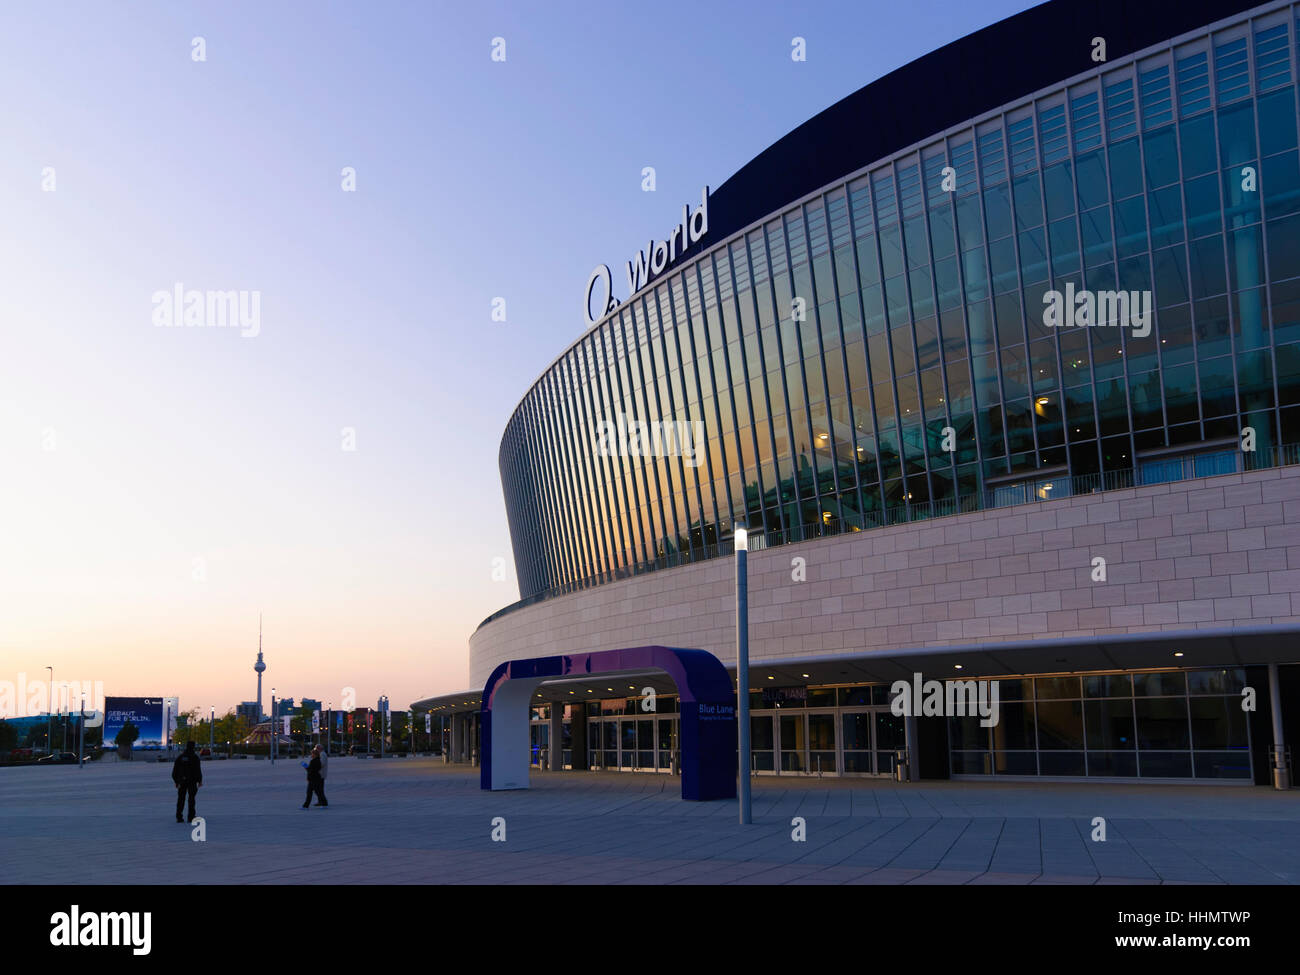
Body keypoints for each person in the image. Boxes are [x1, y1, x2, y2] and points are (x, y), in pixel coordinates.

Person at [172, 740, 202, 823]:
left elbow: (175, 771)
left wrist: (176, 781)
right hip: (192, 781)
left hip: (182, 781)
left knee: (181, 799)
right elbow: (198, 770)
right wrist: (199, 781)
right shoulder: (195, 758)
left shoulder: (180, 757)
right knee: (191, 799)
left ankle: (179, 817)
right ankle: (191, 816)